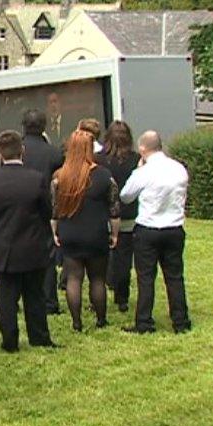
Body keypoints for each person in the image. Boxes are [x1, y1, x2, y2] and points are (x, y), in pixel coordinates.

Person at [0, 130, 59, 352]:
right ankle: (39, 336)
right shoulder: (36, 179)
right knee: (35, 295)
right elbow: (47, 211)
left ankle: (10, 341)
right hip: (33, 245)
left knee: (6, 299)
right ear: (22, 151)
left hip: (4, 246)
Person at [119, 131, 191, 334]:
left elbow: (125, 196)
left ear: (142, 149)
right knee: (175, 276)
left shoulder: (144, 172)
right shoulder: (178, 168)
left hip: (148, 228)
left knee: (146, 277)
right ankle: (180, 321)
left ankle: (144, 322)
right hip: (174, 227)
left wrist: (138, 170)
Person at [51, 130, 120, 332]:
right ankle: (100, 319)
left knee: (73, 278)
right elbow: (114, 209)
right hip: (96, 233)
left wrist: (55, 232)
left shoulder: (59, 177)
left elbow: (54, 211)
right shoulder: (103, 175)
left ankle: (76, 322)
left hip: (70, 233)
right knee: (97, 278)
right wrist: (114, 234)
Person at [21, 109, 64, 314]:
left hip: (19, 206)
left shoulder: (17, 149)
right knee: (47, 257)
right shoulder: (53, 153)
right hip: (45, 207)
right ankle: (48, 301)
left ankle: (22, 296)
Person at [97, 121, 141, 312]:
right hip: (129, 214)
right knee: (124, 257)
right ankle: (122, 297)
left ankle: (100, 292)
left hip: (103, 214)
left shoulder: (99, 159)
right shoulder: (136, 159)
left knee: (101, 258)